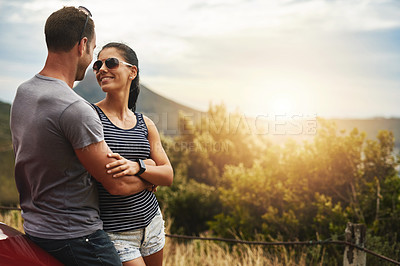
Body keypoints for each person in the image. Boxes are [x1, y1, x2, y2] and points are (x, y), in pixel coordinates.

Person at [10, 7, 152, 265]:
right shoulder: (76, 109)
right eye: (94, 51)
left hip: (36, 230)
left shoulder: (23, 93)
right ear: (82, 45)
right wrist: (149, 180)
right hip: (78, 238)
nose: (93, 65)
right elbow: (116, 184)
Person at [91, 42, 174, 266]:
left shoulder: (145, 123)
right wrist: (148, 177)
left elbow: (168, 175)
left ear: (132, 71)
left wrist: (139, 166)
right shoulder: (91, 118)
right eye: (98, 64)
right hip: (117, 235)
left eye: (111, 62)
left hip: (152, 223)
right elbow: (115, 183)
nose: (102, 69)